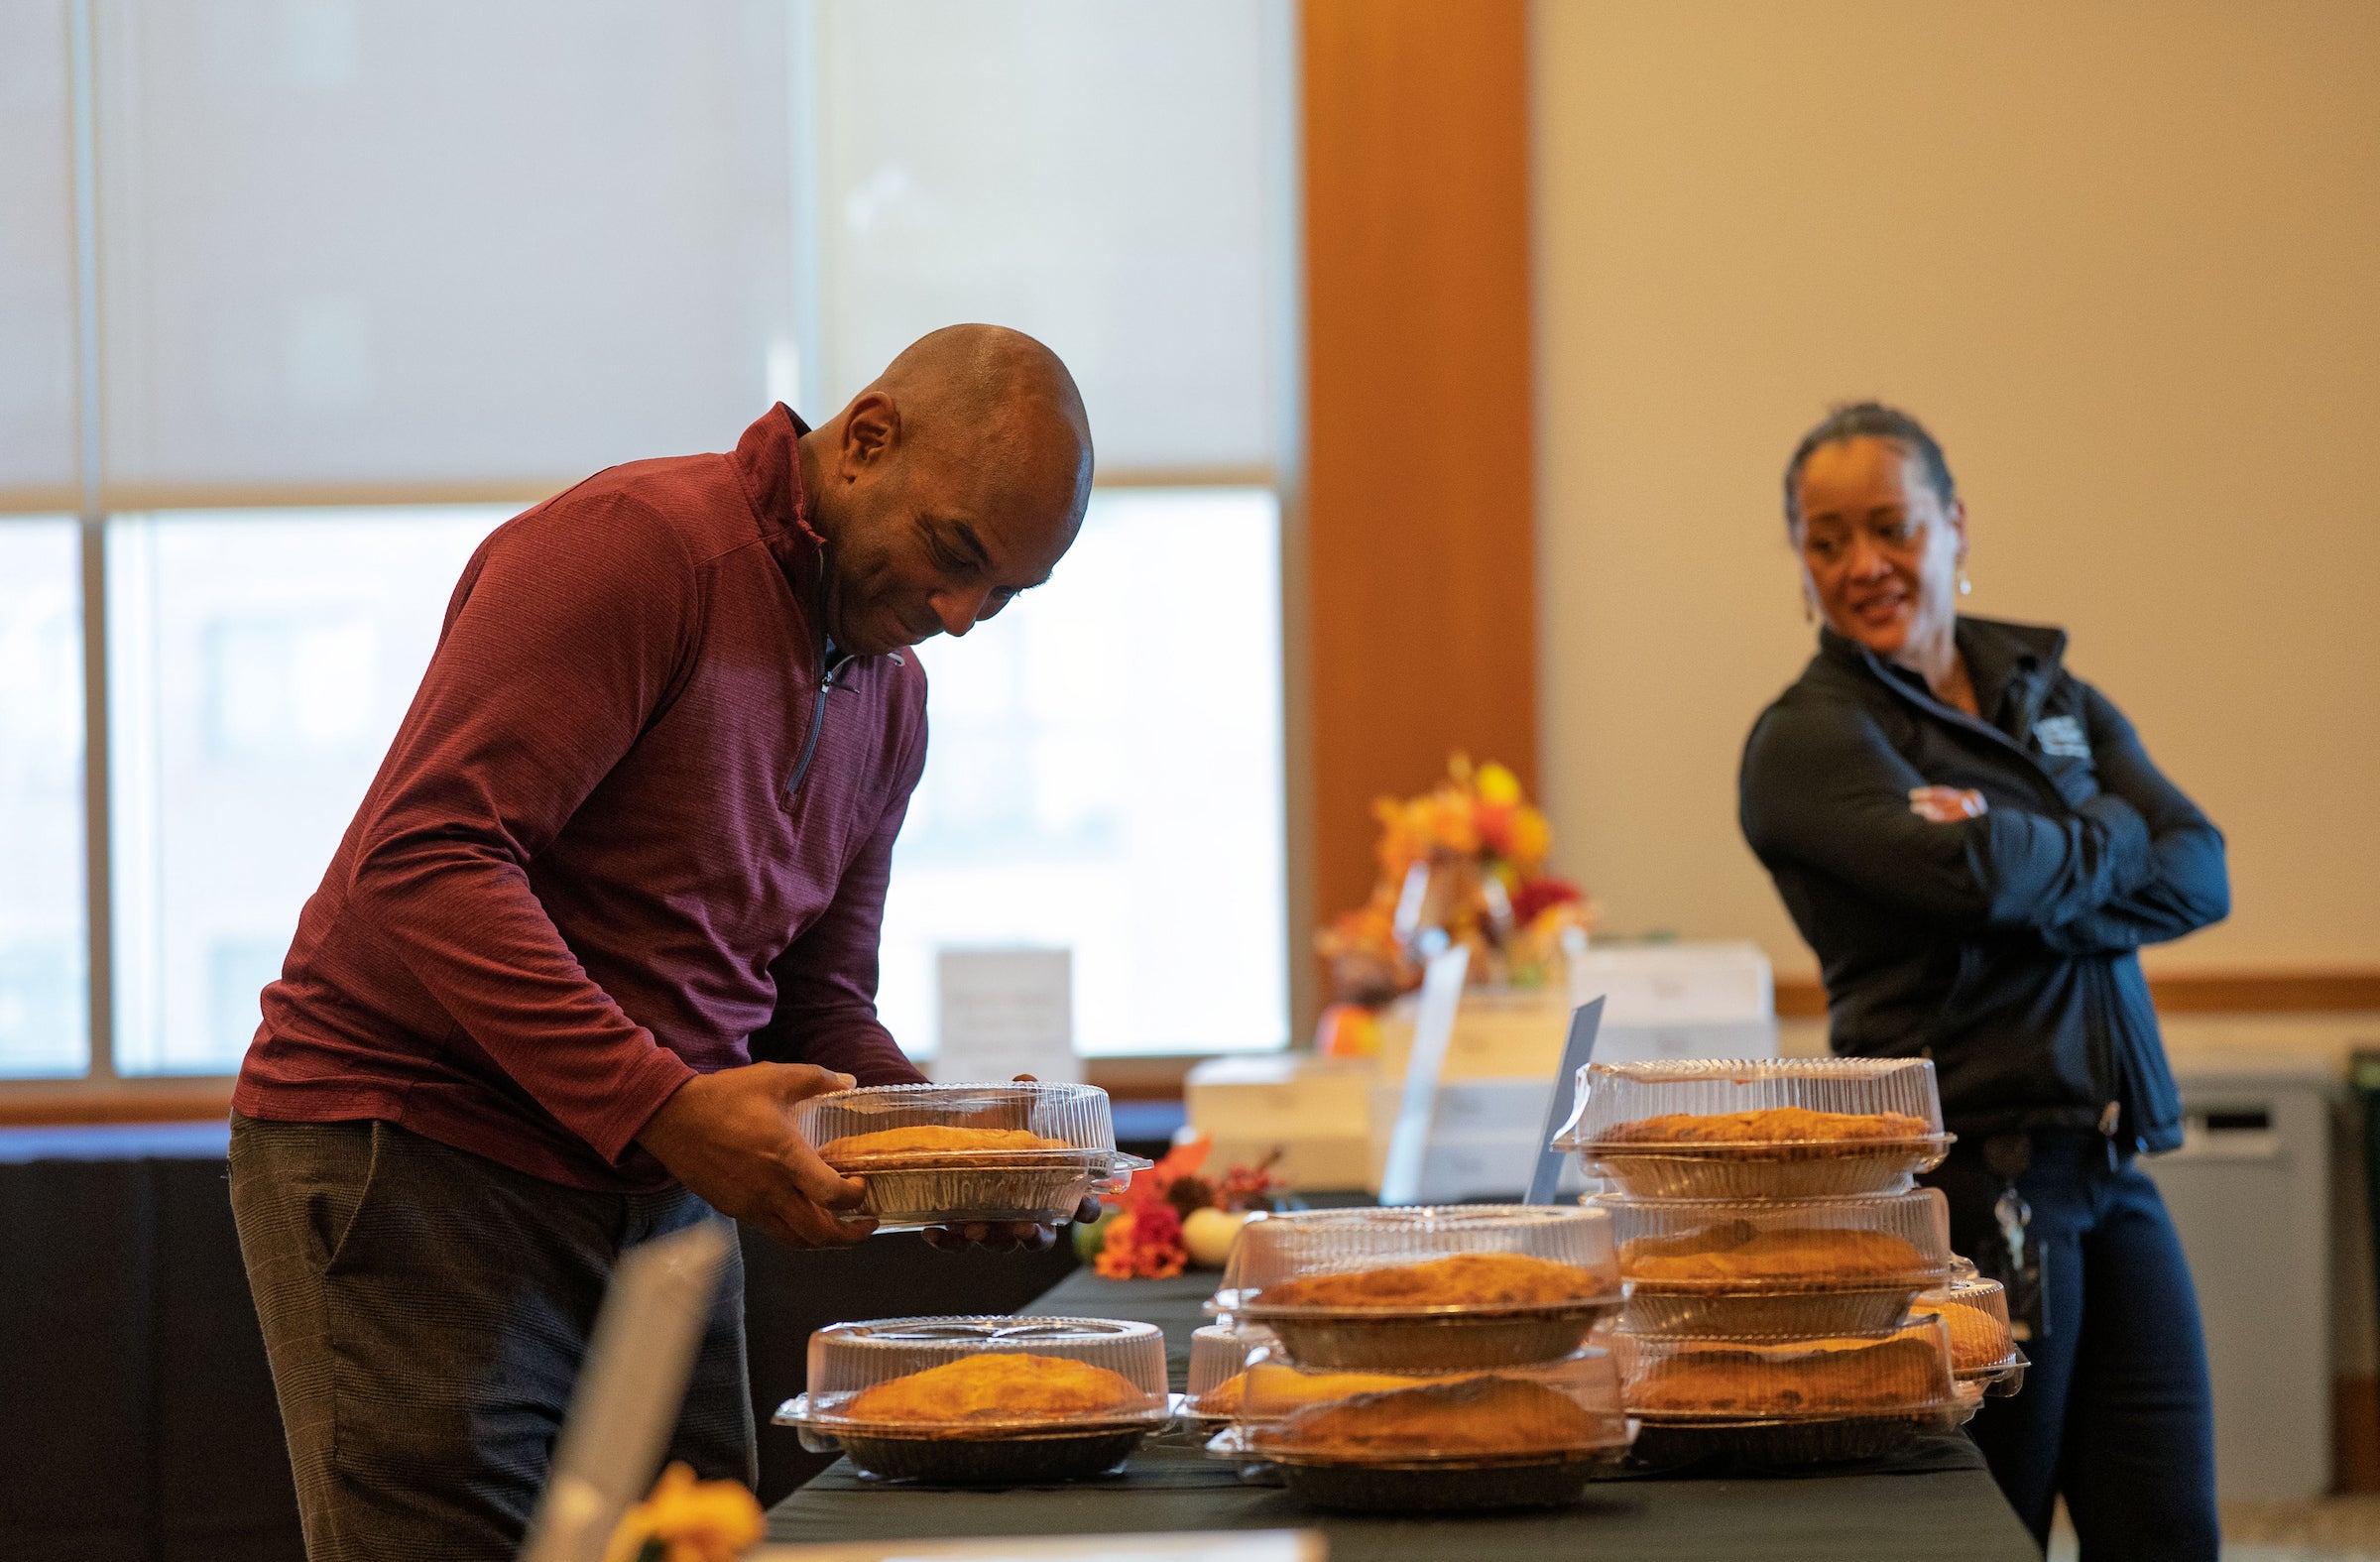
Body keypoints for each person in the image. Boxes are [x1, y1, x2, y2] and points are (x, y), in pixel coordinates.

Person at [226, 324, 1095, 1562]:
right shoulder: (640, 553)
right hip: (423, 1156)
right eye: (955, 553)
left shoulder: (893, 695)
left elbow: (816, 1004)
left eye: (1008, 592)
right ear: (866, 442)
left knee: (696, 1546)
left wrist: (942, 1150)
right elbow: (426, 861)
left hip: (654, 1180)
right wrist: (668, 1106)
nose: (962, 615)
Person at [1738, 403, 2229, 1559]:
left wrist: (2026, 849)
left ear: (1953, 525)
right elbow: (1976, 884)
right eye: (1826, 540)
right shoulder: (1808, 741)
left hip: (2109, 1166)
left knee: (2170, 1530)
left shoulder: (2045, 691)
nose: (1863, 565)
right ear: (1801, 563)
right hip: (1965, 1188)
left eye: (1891, 528)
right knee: (1985, 1534)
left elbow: (2198, 869)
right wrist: (2096, 831)